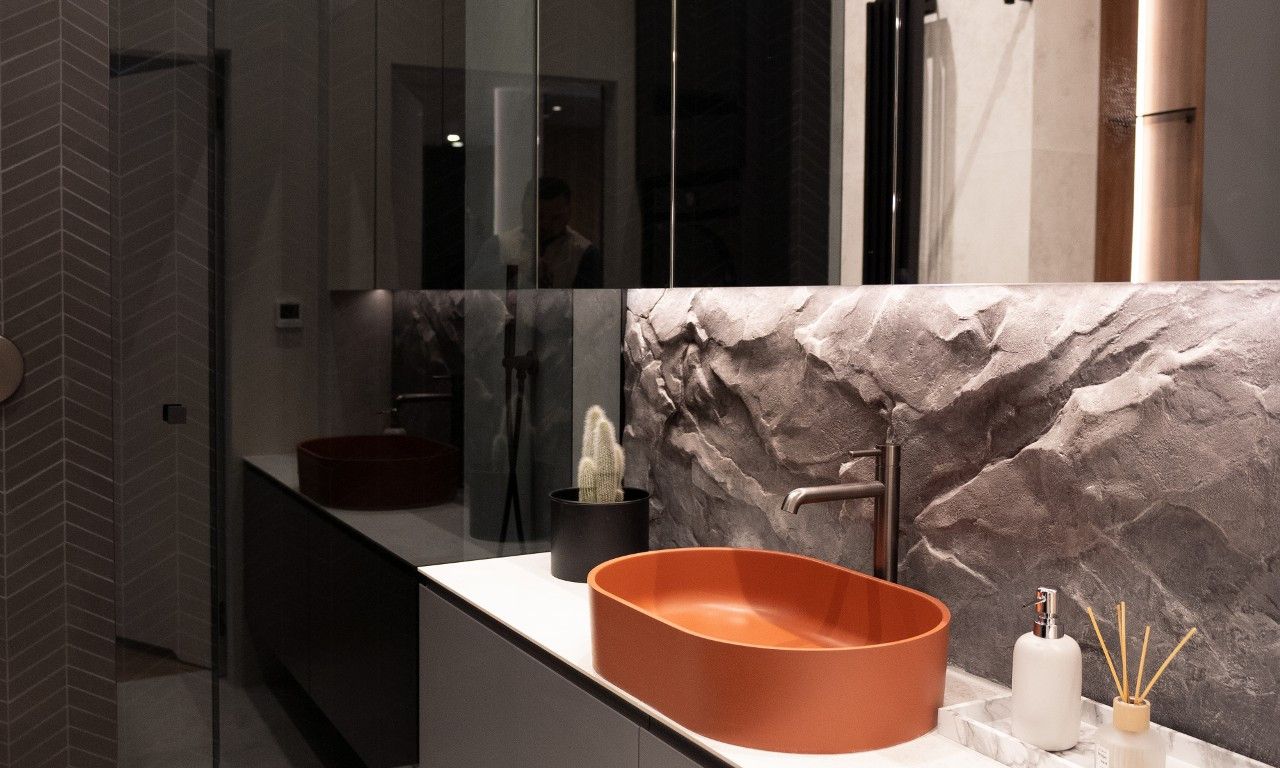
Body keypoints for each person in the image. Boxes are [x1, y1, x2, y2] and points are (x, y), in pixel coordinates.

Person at [495, 178, 602, 288]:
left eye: (556, 218)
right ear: (524, 209)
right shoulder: (498, 246)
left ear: (569, 212)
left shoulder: (585, 254)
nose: (545, 224)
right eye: (539, 216)